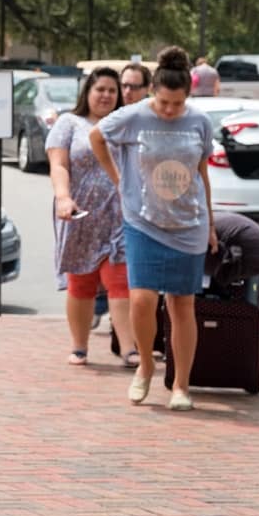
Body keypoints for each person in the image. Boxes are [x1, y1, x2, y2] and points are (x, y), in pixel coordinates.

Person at [90, 46, 218, 411]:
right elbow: (97, 137)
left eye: (176, 104)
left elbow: (202, 174)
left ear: (187, 98)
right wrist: (118, 180)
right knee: (143, 299)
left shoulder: (199, 123)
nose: (168, 111)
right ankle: (145, 365)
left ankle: (181, 385)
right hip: (143, 221)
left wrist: (209, 222)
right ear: (154, 94)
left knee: (182, 304)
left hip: (188, 224)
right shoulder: (133, 117)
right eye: (163, 102)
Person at [47, 68, 138, 367]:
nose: (106, 95)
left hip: (119, 216)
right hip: (81, 215)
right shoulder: (69, 124)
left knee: (120, 278)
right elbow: (59, 165)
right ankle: (79, 346)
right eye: (100, 89)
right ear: (87, 91)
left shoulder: (126, 124)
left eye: (112, 90)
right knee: (81, 282)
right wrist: (63, 197)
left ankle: (128, 348)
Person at [90, 62, 153, 329]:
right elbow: (94, 138)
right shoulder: (117, 119)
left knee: (128, 268)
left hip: (140, 209)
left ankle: (129, 333)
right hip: (105, 207)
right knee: (107, 263)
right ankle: (102, 310)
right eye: (123, 85)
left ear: (147, 89)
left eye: (133, 86)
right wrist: (118, 181)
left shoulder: (147, 117)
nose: (126, 91)